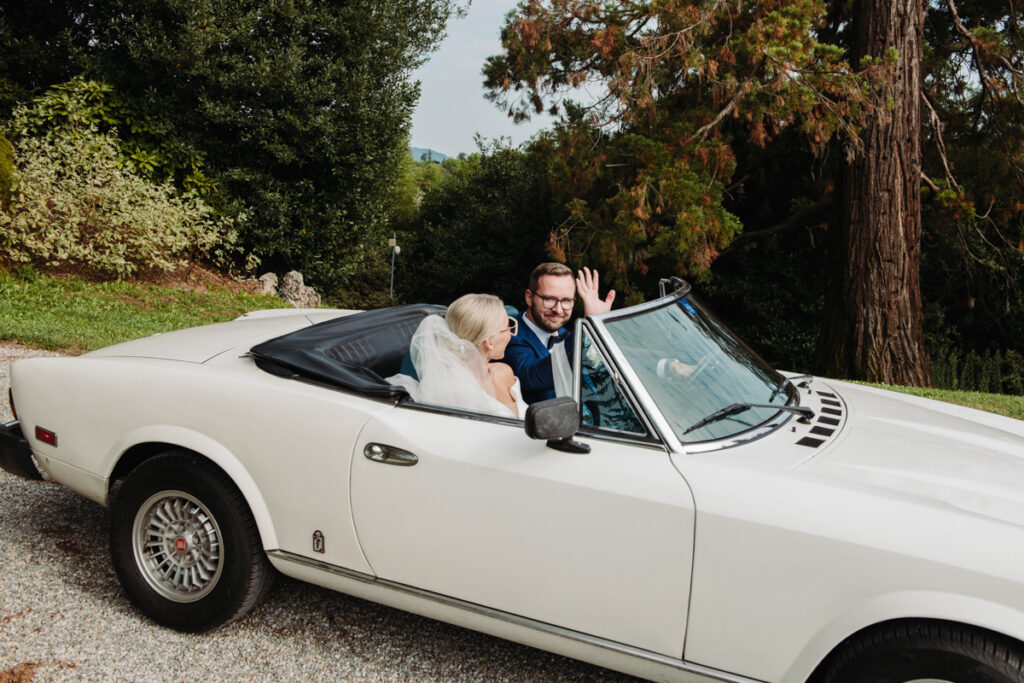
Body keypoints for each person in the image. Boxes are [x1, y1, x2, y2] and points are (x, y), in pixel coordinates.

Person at [388, 293, 527, 418]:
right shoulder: (452, 393)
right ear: (489, 342)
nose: (512, 334)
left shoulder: (504, 371)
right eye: (508, 327)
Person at [504, 263, 615, 404]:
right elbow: (531, 377)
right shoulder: (508, 336)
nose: (558, 309)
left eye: (566, 301)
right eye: (549, 300)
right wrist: (588, 328)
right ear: (529, 297)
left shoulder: (565, 334)